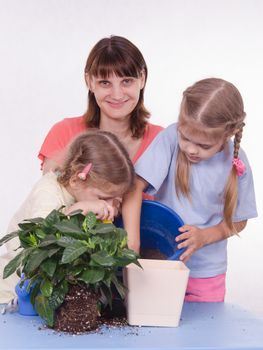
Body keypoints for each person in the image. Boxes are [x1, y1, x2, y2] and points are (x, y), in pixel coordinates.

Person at [122, 78, 258, 302]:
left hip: (206, 274)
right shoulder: (170, 138)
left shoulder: (236, 161)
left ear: (228, 135)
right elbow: (135, 186)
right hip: (160, 265)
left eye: (204, 146)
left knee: (201, 332)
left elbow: (239, 220)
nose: (191, 149)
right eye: (185, 137)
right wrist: (133, 244)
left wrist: (204, 237)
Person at [0, 130, 135, 304]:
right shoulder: (48, 193)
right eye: (103, 197)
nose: (109, 206)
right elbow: (41, 236)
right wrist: (79, 208)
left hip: (45, 290)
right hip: (12, 292)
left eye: (116, 199)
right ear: (76, 180)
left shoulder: (81, 194)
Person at [39, 35, 163, 173]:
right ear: (89, 81)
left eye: (126, 81)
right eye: (105, 83)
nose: (117, 95)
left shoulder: (163, 141)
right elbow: (48, 192)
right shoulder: (64, 133)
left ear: (142, 78)